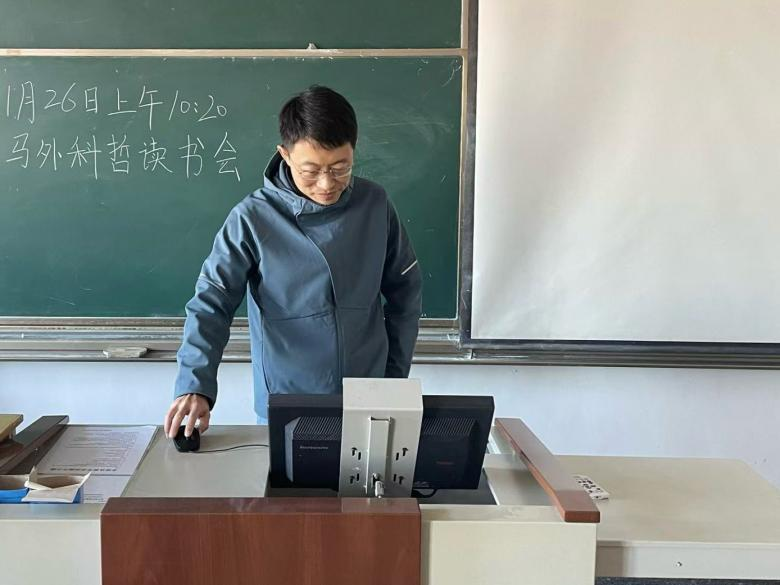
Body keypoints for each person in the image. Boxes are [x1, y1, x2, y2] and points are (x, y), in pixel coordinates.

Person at [163, 85, 422, 439]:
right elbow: (211, 304)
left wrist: (393, 378)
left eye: (341, 168)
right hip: (287, 400)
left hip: (370, 396)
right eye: (310, 170)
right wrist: (194, 384)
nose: (326, 184)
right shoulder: (252, 218)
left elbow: (406, 293)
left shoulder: (375, 205)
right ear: (285, 155)